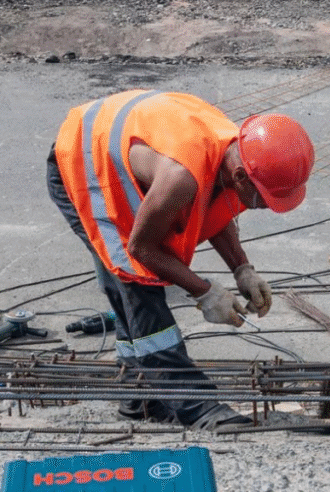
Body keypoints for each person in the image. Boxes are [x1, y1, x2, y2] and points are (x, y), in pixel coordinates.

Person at [47, 89, 314, 430]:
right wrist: (205, 292)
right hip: (83, 159)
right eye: (263, 200)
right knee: (136, 281)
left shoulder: (236, 152)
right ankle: (195, 405)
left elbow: (214, 207)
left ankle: (139, 398)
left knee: (128, 291)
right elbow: (141, 249)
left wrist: (242, 269)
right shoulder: (180, 176)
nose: (262, 207)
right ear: (241, 176)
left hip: (123, 143)